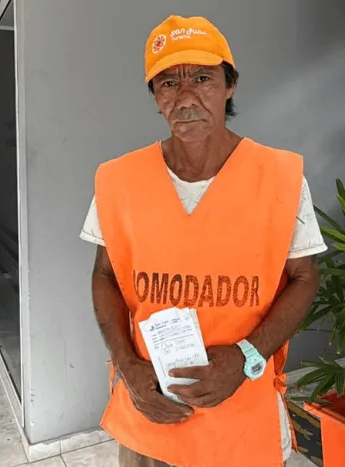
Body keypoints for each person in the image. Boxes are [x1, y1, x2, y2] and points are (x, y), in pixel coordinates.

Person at [80, 14, 326, 467]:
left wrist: (246, 356)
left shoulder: (279, 177)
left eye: (202, 78)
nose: (185, 97)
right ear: (155, 96)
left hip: (242, 412)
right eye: (168, 82)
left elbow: (305, 277)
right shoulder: (118, 180)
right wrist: (128, 367)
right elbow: (104, 275)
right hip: (151, 411)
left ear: (230, 85)